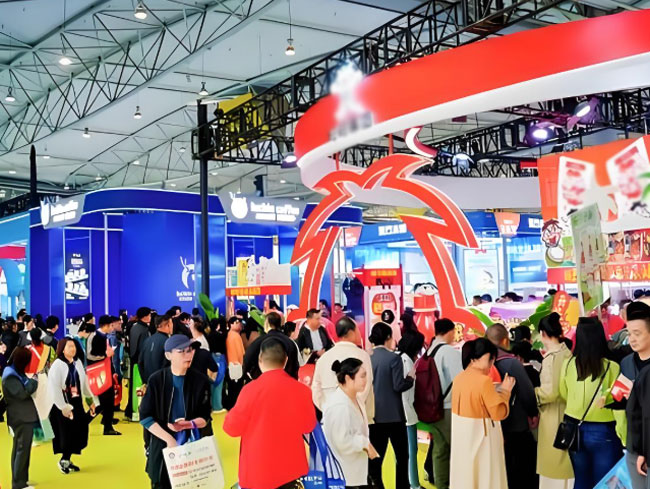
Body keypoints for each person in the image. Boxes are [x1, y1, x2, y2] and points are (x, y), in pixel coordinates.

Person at [224, 337, 317, 489]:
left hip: (258, 470)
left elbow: (231, 429)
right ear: (285, 360)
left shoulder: (249, 391)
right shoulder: (302, 390)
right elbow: (308, 426)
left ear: (260, 360)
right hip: (290, 469)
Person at [139, 334, 213, 489]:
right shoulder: (157, 380)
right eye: (181, 351)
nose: (188, 355)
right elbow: (145, 417)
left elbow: (205, 416)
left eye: (190, 350)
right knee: (161, 482)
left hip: (193, 446)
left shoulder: (201, 381)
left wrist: (190, 424)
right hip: (163, 446)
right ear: (168, 355)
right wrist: (169, 440)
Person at [559, 317, 622, 489]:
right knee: (605, 482)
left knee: (581, 479)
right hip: (604, 430)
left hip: (573, 429)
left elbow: (563, 393)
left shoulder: (568, 364)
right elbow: (617, 403)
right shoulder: (612, 367)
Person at [450, 338, 515, 489]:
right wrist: (505, 391)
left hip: (463, 439)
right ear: (475, 358)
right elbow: (498, 413)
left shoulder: (459, 378)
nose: (491, 364)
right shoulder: (483, 381)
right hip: (481, 439)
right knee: (486, 477)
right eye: (490, 359)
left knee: (465, 477)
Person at [486, 323, 539, 489]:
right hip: (515, 421)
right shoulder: (511, 363)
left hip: (491, 422)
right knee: (522, 466)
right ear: (504, 340)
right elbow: (527, 392)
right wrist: (533, 413)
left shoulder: (480, 363)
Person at [368, 322, 415, 489]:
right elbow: (398, 385)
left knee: (376, 456)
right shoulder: (394, 358)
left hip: (374, 415)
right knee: (401, 456)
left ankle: (376, 485)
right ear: (388, 337)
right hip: (395, 416)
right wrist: (410, 379)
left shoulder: (367, 358)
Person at [322, 358, 379, 488]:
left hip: (355, 470)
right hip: (345, 473)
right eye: (362, 376)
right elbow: (341, 441)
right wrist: (364, 444)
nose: (366, 380)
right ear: (348, 378)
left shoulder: (355, 398)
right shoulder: (339, 405)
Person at [422, 318, 463, 489]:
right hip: (448, 408)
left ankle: (441, 485)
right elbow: (460, 380)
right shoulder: (449, 352)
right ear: (450, 331)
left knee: (439, 451)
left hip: (431, 408)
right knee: (457, 450)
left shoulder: (428, 351)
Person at [48, 337, 98, 474]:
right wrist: (64, 407)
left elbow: (84, 383)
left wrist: (90, 401)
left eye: (74, 346)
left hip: (77, 402)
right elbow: (54, 388)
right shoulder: (57, 365)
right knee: (66, 433)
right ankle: (64, 460)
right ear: (62, 349)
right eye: (69, 346)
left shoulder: (78, 362)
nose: (73, 349)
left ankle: (68, 459)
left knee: (79, 430)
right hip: (62, 404)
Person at [536, 313, 574, 489]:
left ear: (543, 333)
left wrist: (533, 393)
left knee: (552, 464)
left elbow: (550, 392)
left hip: (552, 415)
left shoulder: (551, 358)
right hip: (568, 411)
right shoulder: (567, 352)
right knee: (564, 462)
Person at [312, 316, 374, 420]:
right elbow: (366, 385)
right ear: (351, 332)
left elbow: (316, 387)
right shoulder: (362, 355)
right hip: (355, 415)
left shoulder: (324, 358)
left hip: (329, 415)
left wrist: (325, 407)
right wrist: (354, 405)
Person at [617, 301, 650, 489]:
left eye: (637, 334)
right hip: (633, 443)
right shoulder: (626, 363)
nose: (632, 339)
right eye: (629, 334)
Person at [3, 347, 38, 489]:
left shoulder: (14, 371)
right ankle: (18, 484)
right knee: (22, 449)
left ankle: (22, 480)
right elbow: (23, 393)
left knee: (21, 449)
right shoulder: (10, 375)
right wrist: (34, 381)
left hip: (23, 415)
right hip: (21, 416)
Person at [397, 329, 425, 489]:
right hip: (407, 411)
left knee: (408, 451)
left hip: (403, 411)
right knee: (411, 451)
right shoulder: (406, 361)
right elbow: (407, 391)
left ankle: (412, 482)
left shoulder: (400, 358)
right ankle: (414, 483)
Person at [87, 315, 121, 436]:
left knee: (107, 401)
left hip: (105, 372)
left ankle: (107, 424)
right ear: (106, 325)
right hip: (99, 373)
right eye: (111, 325)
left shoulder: (102, 336)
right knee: (104, 401)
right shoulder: (95, 336)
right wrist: (106, 354)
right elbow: (90, 355)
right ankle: (105, 425)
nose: (112, 328)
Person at [243, 312, 299, 381]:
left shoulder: (259, 341)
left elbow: (247, 359)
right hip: (286, 381)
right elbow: (295, 365)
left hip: (263, 381)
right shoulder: (289, 342)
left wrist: (252, 376)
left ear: (267, 323)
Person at [126, 306, 152, 420]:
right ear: (145, 316)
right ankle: (136, 412)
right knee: (139, 387)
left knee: (134, 387)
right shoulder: (144, 329)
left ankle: (132, 411)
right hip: (140, 363)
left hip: (134, 361)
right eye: (149, 315)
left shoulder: (135, 327)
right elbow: (143, 348)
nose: (150, 317)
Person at [139, 314, 172, 384]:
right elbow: (167, 364)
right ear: (168, 325)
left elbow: (140, 362)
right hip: (161, 383)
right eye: (171, 323)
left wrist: (145, 381)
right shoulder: (168, 342)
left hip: (148, 381)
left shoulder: (147, 340)